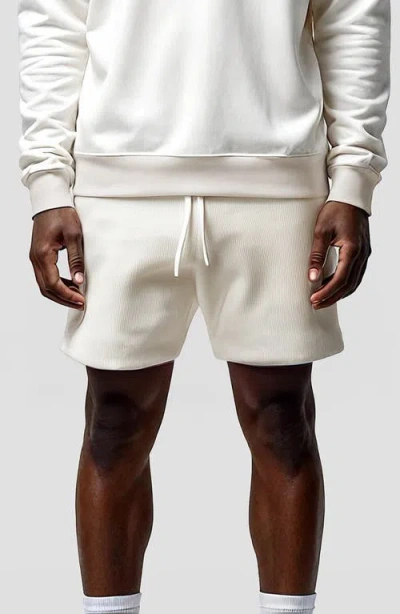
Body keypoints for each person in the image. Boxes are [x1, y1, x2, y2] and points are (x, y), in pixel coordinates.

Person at [17, 1, 390, 613]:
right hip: (118, 187)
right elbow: (54, 20)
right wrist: (47, 184)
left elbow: (352, 15)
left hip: (277, 179)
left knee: (281, 419)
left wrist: (354, 179)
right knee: (113, 423)